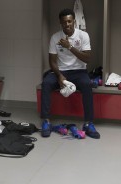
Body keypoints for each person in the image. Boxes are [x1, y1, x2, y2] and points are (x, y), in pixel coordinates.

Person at [40, 8, 100, 139]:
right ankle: (46, 121)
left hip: (79, 71)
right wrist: (59, 76)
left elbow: (88, 58)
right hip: (60, 71)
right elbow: (52, 61)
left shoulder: (83, 35)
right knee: (46, 83)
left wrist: (70, 47)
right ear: (60, 23)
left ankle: (88, 123)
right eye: (64, 22)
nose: (67, 24)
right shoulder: (55, 37)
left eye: (69, 21)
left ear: (74, 21)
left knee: (87, 84)